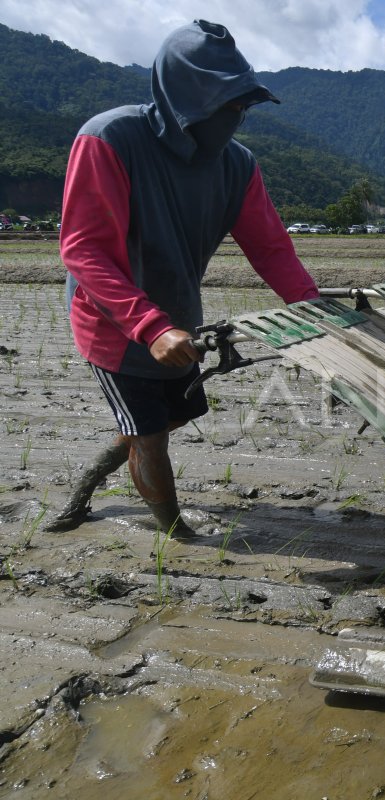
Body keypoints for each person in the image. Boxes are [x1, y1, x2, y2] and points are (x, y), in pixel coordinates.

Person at [46, 20, 320, 536]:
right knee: (152, 436)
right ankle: (176, 534)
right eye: (225, 105)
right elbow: (83, 250)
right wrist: (149, 326)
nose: (235, 118)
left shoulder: (237, 165)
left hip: (179, 319)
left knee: (165, 418)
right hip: (114, 322)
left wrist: (309, 303)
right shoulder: (110, 139)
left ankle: (88, 479)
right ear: (183, 97)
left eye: (241, 106)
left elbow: (270, 247)